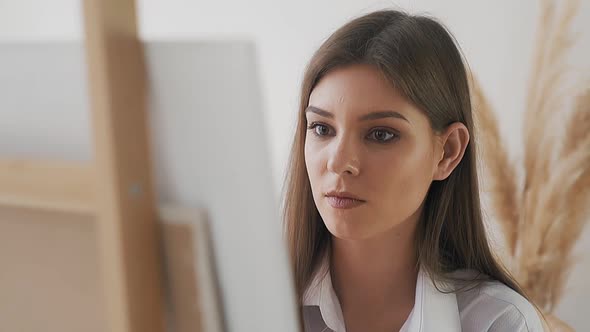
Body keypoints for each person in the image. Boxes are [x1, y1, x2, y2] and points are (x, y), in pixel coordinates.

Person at [282, 9, 545, 332]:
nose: (338, 162)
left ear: (447, 152)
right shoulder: (247, 304)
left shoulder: (499, 323)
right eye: (322, 128)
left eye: (381, 134)